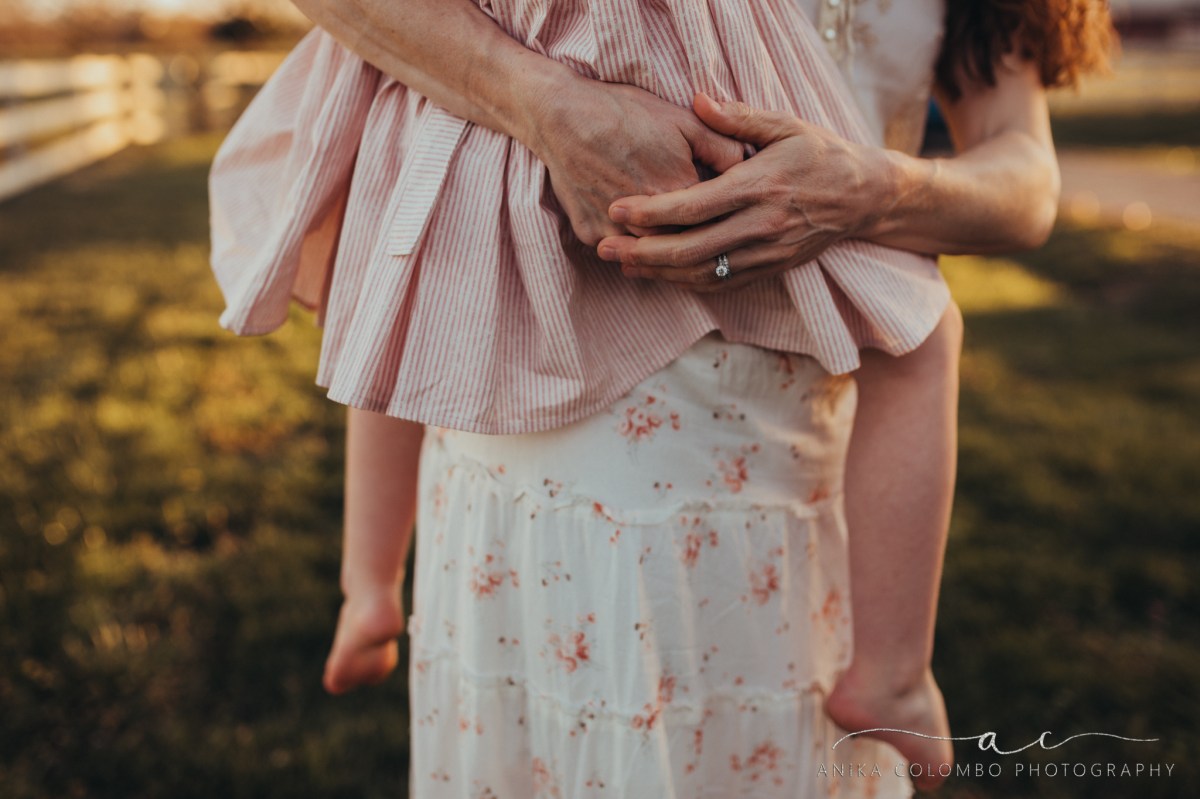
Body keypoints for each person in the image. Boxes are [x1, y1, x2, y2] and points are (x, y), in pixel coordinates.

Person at [208, 0, 1114, 795]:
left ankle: (365, 584)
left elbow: (1025, 178)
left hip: (805, 427)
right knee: (921, 337)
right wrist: (547, 106)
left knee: (415, 297)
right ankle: (893, 672)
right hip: (547, 413)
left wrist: (875, 191)